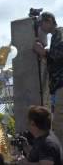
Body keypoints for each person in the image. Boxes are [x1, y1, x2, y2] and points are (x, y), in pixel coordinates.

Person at [33, 12, 63, 144]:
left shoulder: (60, 33)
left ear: (49, 20)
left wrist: (44, 52)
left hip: (61, 84)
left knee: (58, 124)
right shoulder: (55, 36)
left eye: (41, 24)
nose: (41, 28)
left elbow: (60, 53)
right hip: (57, 85)